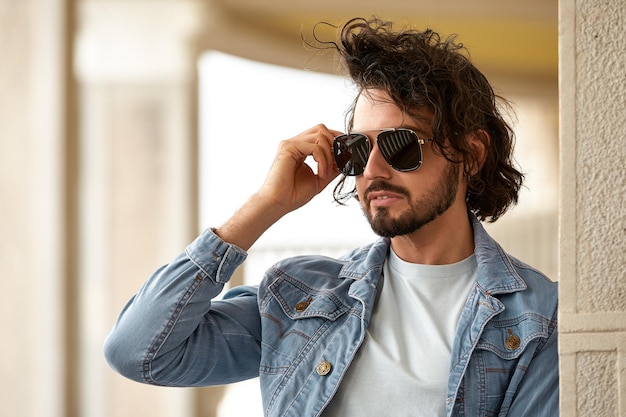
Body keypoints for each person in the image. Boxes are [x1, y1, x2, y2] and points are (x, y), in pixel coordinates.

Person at [104, 17, 559, 417]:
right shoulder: (298, 299)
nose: (373, 171)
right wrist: (267, 205)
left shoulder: (540, 317)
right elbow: (139, 352)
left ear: (471, 153)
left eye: (402, 145)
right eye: (356, 149)